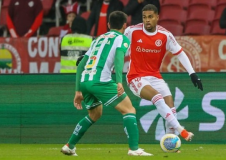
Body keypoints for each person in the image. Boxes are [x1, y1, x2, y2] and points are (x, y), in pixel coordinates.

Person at [61, 11, 152, 156]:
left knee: (95, 114)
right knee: (129, 110)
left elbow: (80, 65)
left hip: (85, 81)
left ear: (108, 25)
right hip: (100, 81)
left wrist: (78, 91)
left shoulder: (97, 39)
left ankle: (69, 146)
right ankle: (134, 149)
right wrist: (119, 81)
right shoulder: (122, 39)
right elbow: (119, 57)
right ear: (124, 25)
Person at [124, 4, 203, 140]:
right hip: (136, 76)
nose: (147, 20)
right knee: (158, 98)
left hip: (155, 77)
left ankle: (170, 143)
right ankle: (182, 132)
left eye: (150, 17)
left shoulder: (165, 35)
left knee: (171, 108)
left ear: (157, 17)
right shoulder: (132, 31)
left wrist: (192, 73)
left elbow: (180, 54)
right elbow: (116, 46)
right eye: (144, 17)